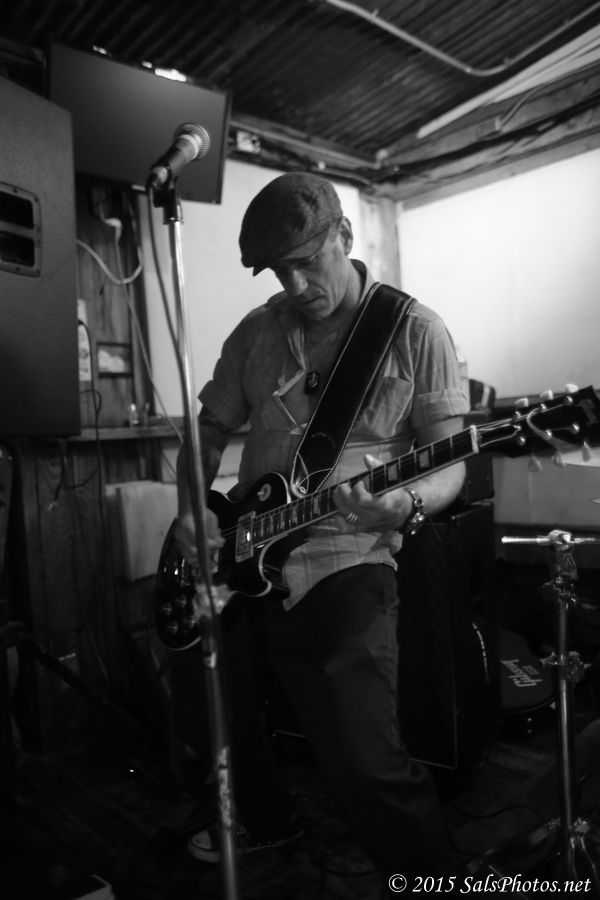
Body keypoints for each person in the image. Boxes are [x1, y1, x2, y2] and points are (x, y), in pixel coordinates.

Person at [169, 172, 469, 879]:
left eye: (308, 262)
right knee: (208, 707)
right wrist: (190, 506)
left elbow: (451, 462)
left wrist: (407, 504)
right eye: (280, 271)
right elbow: (207, 431)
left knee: (367, 760)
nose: (297, 284)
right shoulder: (257, 332)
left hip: (348, 556)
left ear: (345, 236)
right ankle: (267, 821)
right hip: (241, 552)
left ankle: (428, 878)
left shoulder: (414, 330)